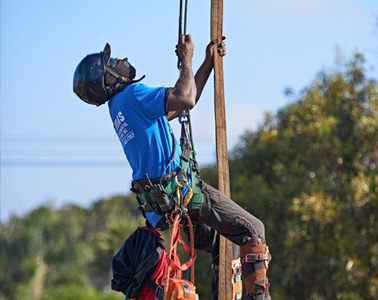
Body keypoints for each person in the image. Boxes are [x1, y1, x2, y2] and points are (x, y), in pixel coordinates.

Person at [73, 34, 271, 300]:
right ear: (107, 78)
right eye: (112, 62)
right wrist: (186, 59)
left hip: (164, 207)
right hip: (184, 195)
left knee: (224, 243)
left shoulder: (119, 108)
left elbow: (179, 104)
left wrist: (207, 62)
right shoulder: (131, 95)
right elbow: (185, 98)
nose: (120, 61)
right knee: (253, 230)